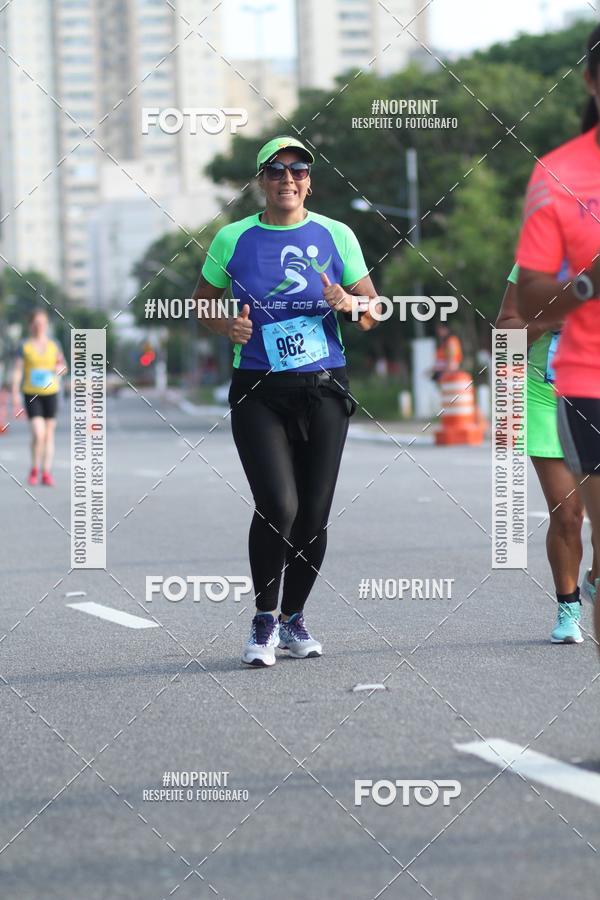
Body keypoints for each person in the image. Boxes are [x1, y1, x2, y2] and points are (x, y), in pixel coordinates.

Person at [193, 135, 380, 667]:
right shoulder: (232, 239)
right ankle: (263, 619)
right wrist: (223, 324)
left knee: (314, 516)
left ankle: (295, 616)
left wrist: (349, 303)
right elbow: (201, 304)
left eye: (298, 170)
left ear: (310, 181)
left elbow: (374, 312)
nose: (288, 179)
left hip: (323, 387)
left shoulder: (336, 235)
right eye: (276, 171)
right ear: (261, 181)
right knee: (279, 504)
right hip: (258, 389)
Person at [515, 23, 600, 652]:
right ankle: (569, 603)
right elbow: (512, 319)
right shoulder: (557, 189)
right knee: (568, 513)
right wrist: (581, 291)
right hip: (556, 391)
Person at [496, 263, 598, 643]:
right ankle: (568, 608)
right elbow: (504, 335)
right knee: (569, 512)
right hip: (545, 398)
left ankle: (594, 580)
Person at [11, 309, 67, 486]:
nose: (39, 326)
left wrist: (60, 369)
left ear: (47, 325)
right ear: (31, 325)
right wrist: (14, 393)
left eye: (43, 323)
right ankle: (34, 468)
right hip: (32, 393)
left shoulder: (54, 345)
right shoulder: (25, 346)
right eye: (36, 323)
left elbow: (63, 366)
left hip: (51, 393)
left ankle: (46, 472)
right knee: (38, 432)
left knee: (49, 434)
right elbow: (18, 370)